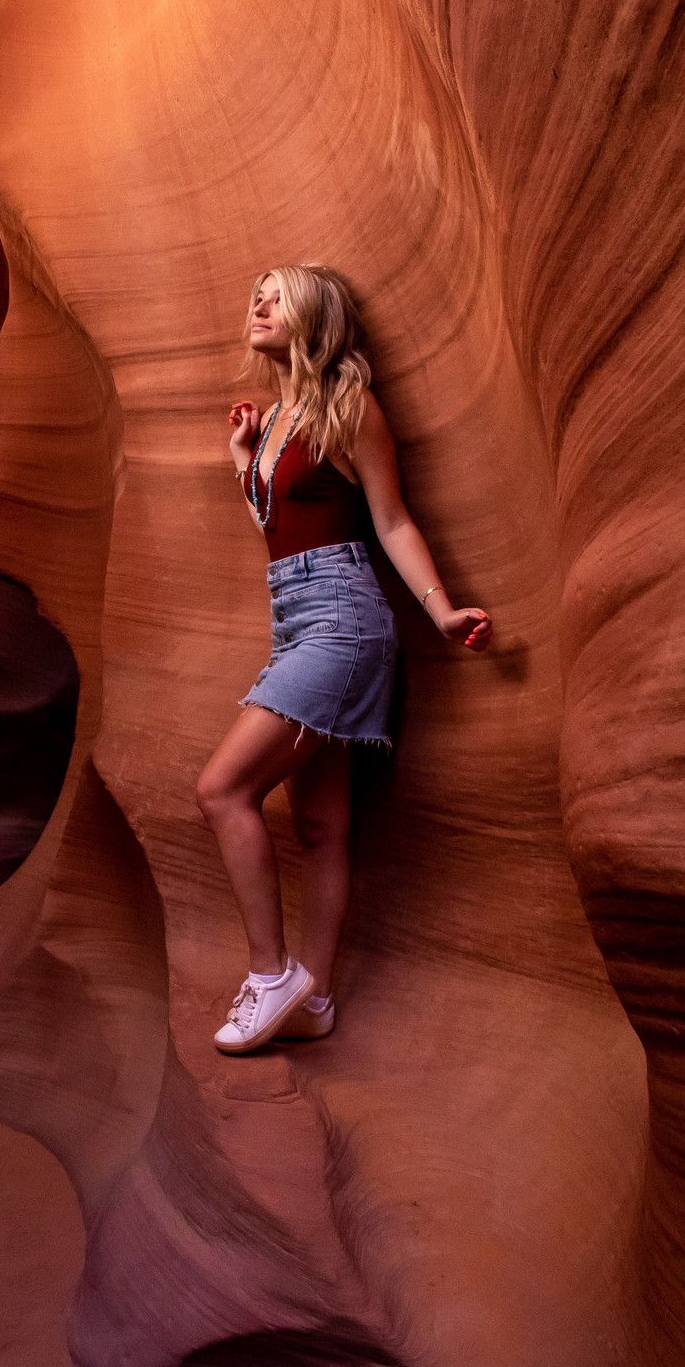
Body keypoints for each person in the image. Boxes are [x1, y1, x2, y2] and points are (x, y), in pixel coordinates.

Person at [195, 264, 492, 1054]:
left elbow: (391, 521)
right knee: (322, 827)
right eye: (252, 290)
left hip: (342, 620)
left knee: (223, 789)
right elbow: (282, 518)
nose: (257, 301)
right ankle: (315, 997)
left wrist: (440, 609)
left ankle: (271, 977)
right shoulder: (281, 415)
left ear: (315, 313)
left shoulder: (348, 406)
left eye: (276, 292)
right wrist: (244, 458)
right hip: (294, 618)